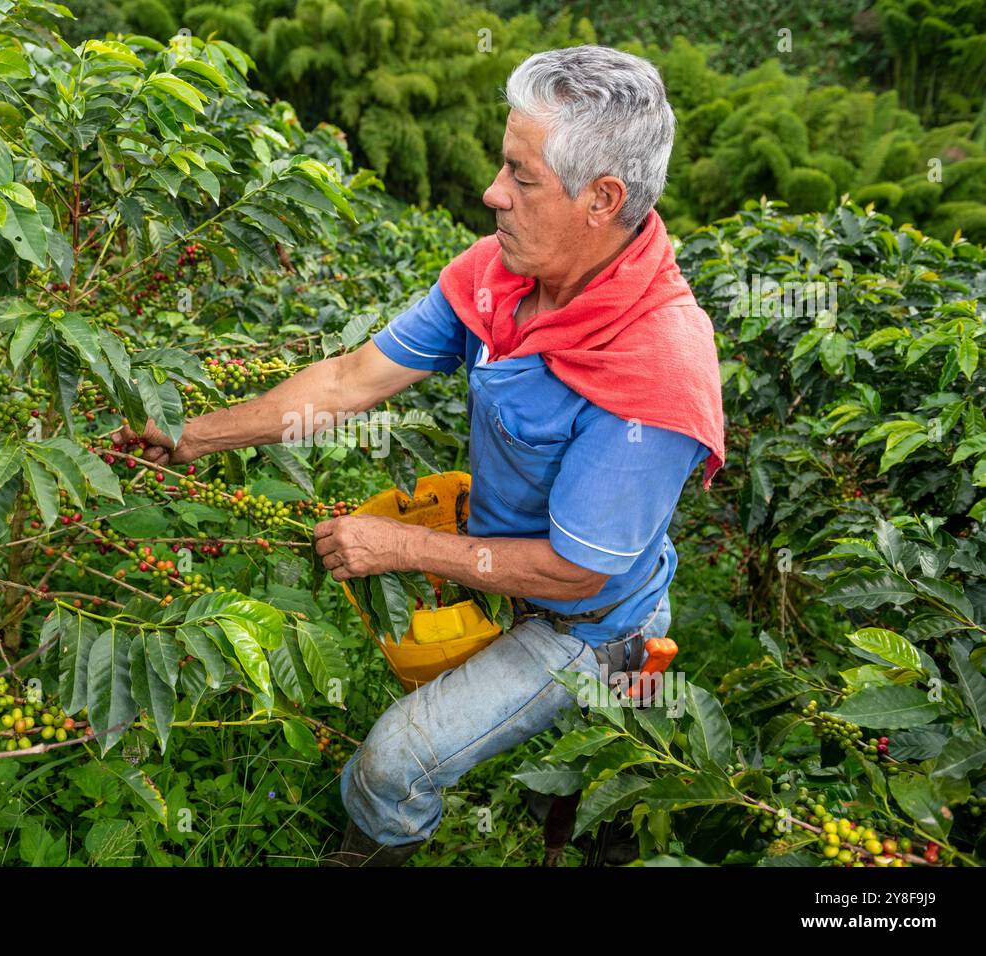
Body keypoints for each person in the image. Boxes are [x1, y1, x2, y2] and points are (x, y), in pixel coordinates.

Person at [121, 45, 726, 866]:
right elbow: (346, 381)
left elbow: (574, 573)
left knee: (400, 767)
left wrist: (399, 547)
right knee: (582, 786)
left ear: (602, 198)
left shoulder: (656, 370)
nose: (493, 193)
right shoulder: (499, 276)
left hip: (589, 625)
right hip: (512, 581)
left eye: (522, 177)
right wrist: (190, 436)